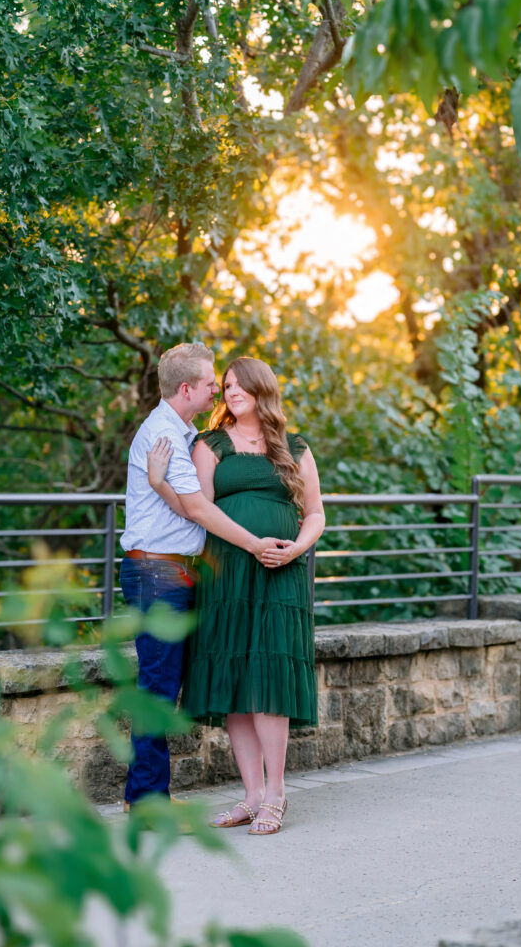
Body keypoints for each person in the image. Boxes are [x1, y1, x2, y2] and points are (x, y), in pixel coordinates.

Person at [148, 356, 325, 835]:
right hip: (226, 576)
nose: (229, 392)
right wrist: (160, 483)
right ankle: (250, 796)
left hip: (280, 574)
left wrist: (296, 552)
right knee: (235, 684)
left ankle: (277, 794)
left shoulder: (295, 447)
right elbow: (195, 508)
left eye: (237, 385)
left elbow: (315, 515)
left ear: (260, 388)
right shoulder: (211, 444)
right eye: (224, 386)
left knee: (268, 676)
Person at [120, 343, 284, 809]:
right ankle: (147, 801)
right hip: (157, 572)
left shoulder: (184, 430)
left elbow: (189, 506)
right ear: (187, 387)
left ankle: (148, 796)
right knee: (158, 689)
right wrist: (254, 544)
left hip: (177, 572)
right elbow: (197, 508)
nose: (218, 388)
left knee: (167, 685)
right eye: (213, 382)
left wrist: (158, 485)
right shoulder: (162, 434)